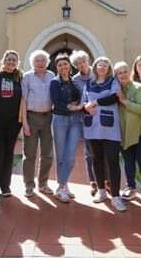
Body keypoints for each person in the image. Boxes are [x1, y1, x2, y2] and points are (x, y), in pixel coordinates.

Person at [82, 56, 127, 212]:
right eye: (100, 65)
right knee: (97, 159)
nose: (102, 67)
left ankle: (115, 196)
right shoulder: (88, 83)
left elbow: (114, 97)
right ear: (95, 67)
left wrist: (95, 103)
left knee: (112, 160)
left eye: (105, 65)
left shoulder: (113, 82)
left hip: (110, 128)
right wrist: (86, 107)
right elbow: (84, 102)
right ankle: (101, 191)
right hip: (93, 127)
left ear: (109, 68)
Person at [114, 61, 141, 206]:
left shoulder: (139, 88)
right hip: (124, 132)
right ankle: (130, 186)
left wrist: (124, 101)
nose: (122, 75)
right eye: (119, 73)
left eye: (124, 71)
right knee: (128, 161)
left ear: (129, 72)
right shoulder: (116, 90)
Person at [0, 50, 24, 198]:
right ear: (3, 60)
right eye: (8, 59)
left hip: (13, 122)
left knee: (9, 153)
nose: (11, 62)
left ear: (17, 62)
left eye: (14, 60)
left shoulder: (20, 77)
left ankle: (5, 186)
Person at [50, 54, 84, 203]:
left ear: (70, 66)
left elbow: (79, 97)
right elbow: (56, 102)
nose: (63, 67)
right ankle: (63, 186)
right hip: (60, 120)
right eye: (60, 65)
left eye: (65, 64)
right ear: (56, 68)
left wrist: (77, 106)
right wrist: (73, 107)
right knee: (61, 155)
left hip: (75, 121)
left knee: (70, 155)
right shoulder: (54, 83)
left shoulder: (74, 82)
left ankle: (61, 185)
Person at [21, 50, 55, 197]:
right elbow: (23, 100)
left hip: (48, 118)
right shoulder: (27, 77)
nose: (40, 63)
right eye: (37, 61)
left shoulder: (52, 76)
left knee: (47, 154)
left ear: (47, 62)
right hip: (31, 117)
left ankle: (43, 183)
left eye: (43, 60)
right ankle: (29, 185)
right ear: (32, 63)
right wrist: (25, 123)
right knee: (30, 154)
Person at [70, 50, 98, 196]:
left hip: (100, 116)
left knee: (102, 150)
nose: (81, 65)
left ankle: (105, 180)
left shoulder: (98, 74)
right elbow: (76, 97)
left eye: (83, 61)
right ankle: (92, 181)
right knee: (89, 152)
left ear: (88, 61)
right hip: (85, 117)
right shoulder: (75, 80)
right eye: (78, 63)